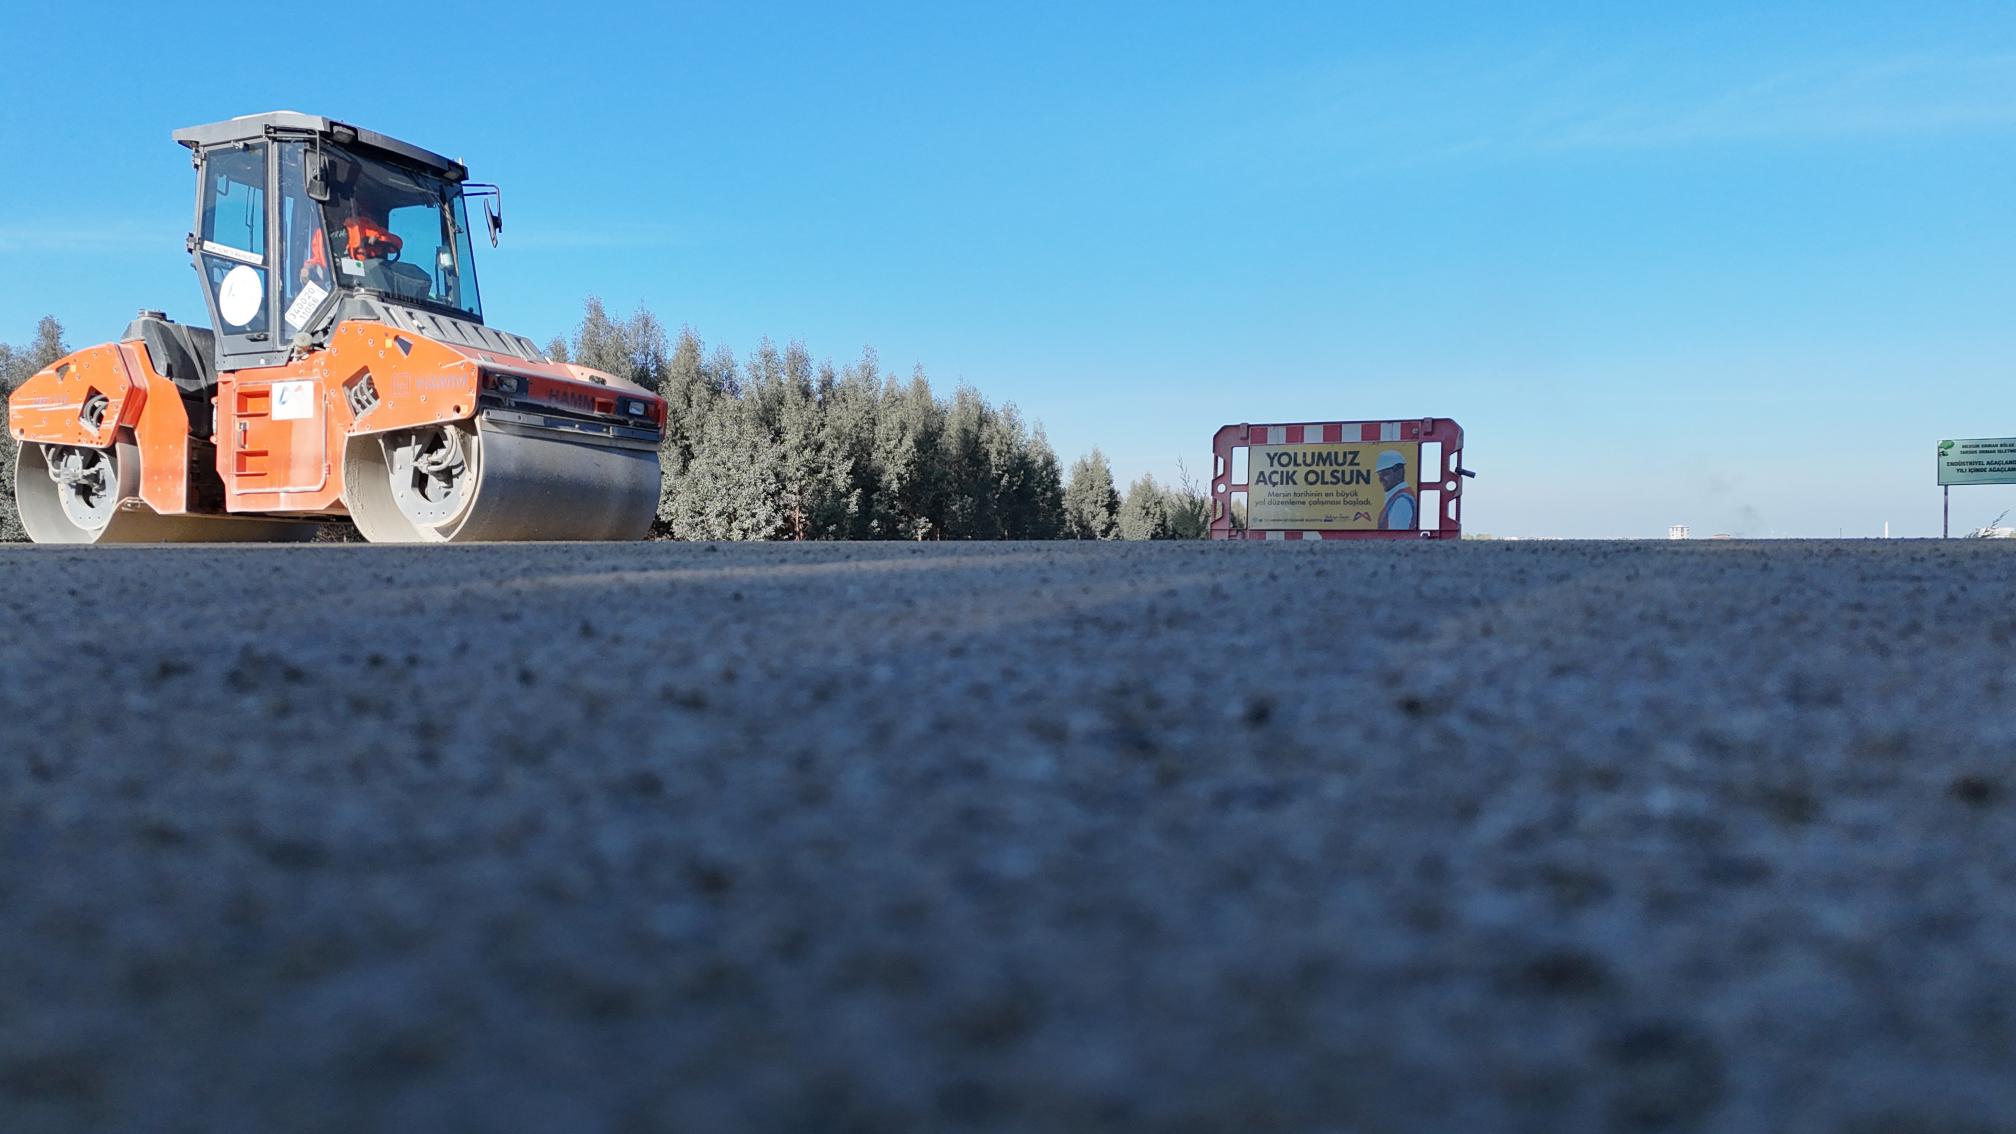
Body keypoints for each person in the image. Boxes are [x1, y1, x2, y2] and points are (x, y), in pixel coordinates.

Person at [1376, 449, 1417, 530]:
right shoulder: (1396, 497)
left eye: (1385, 474)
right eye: (1379, 475)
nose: (1381, 479)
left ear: (1399, 472)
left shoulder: (1401, 501)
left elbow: (1397, 535)